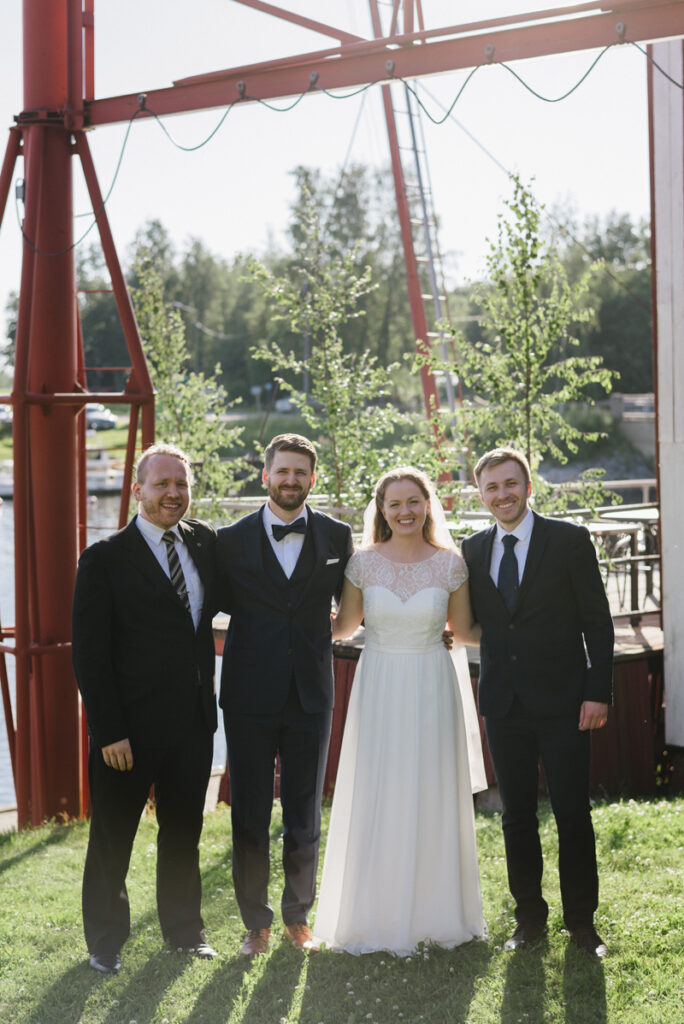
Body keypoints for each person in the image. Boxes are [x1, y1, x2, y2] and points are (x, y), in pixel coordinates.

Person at [313, 467, 486, 955]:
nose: (405, 511)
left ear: (428, 504)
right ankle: (374, 913)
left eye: (414, 501)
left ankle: (437, 913)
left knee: (432, 787)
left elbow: (466, 631)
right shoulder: (362, 564)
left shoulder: (451, 564)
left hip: (432, 683)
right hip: (380, 685)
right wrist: (290, 617)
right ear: (382, 510)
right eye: (395, 503)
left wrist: (534, 633)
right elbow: (343, 627)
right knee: (379, 787)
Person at [462, 446, 614, 958]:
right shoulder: (472, 549)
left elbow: (598, 622)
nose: (502, 494)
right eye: (491, 487)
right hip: (503, 703)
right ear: (480, 494)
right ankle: (529, 918)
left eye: (511, 484)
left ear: (529, 486)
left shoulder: (568, 540)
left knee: (573, 813)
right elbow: (474, 621)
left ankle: (582, 924)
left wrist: (597, 692)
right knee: (516, 816)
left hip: (566, 702)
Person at [72, 443, 218, 974]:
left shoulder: (203, 542)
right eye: (162, 484)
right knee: (113, 839)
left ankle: (185, 932)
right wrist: (108, 730)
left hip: (193, 724)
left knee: (183, 834)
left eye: (181, 484)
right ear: (138, 490)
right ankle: (105, 942)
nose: (173, 494)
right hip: (127, 732)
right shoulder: (104, 558)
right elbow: (89, 654)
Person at [216, 433, 353, 956]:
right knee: (249, 814)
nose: (291, 480)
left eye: (300, 472)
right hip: (247, 695)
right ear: (266, 475)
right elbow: (204, 605)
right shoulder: (229, 540)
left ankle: (298, 917)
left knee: (304, 812)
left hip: (311, 694)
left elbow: (359, 604)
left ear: (312, 479)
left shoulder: (338, 536)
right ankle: (256, 924)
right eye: (282, 471)